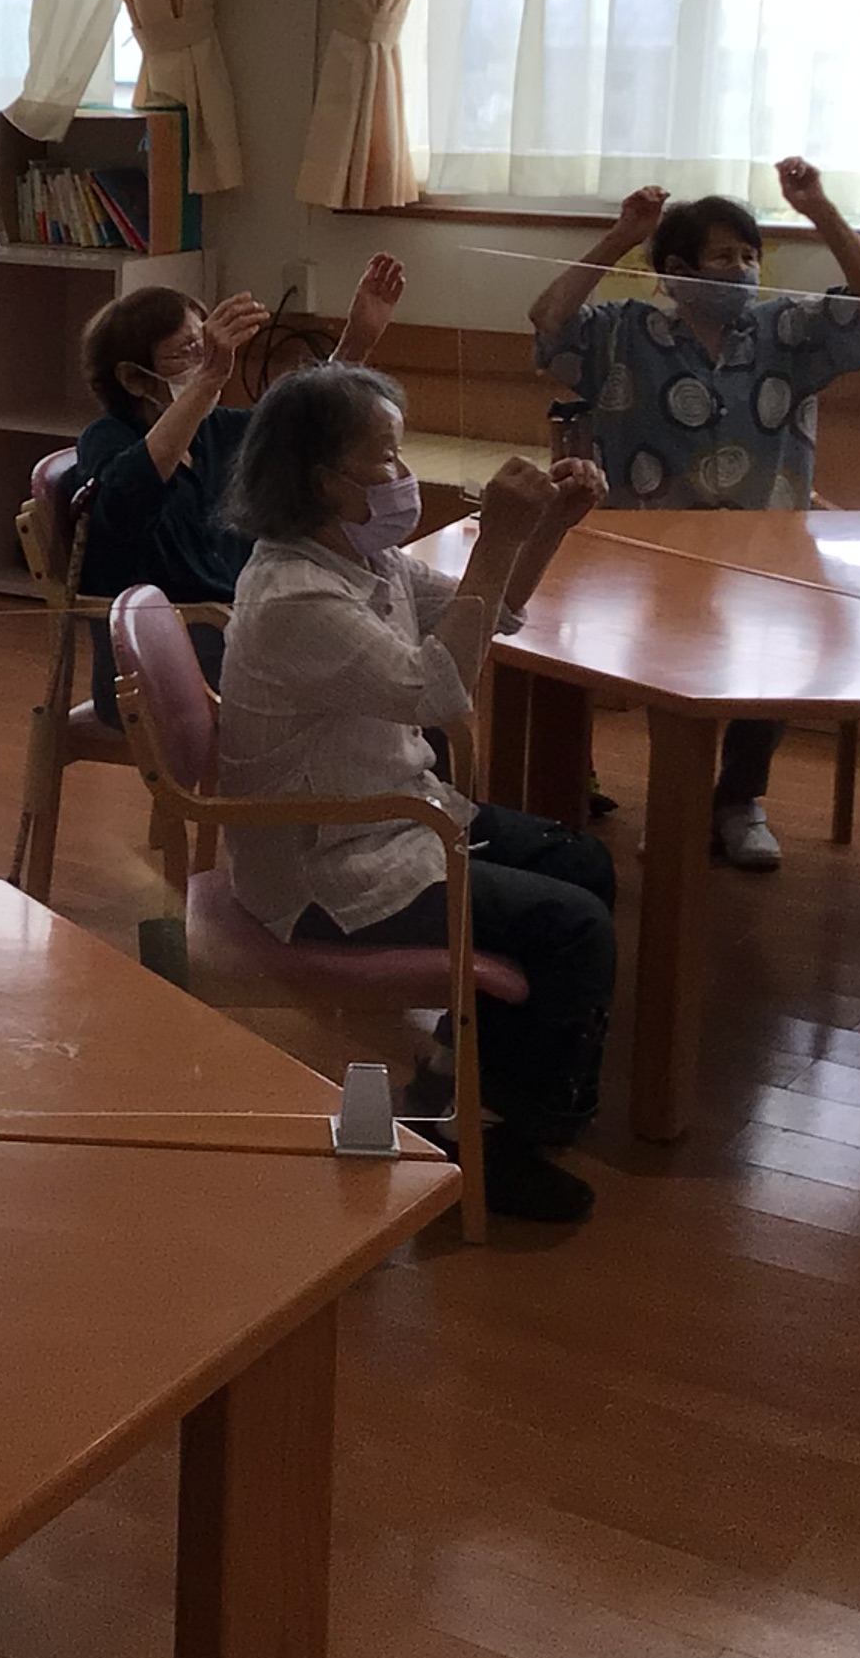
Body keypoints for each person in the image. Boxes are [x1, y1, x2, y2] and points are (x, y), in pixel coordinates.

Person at [210, 365, 615, 1225]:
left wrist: (546, 525)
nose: (403, 476)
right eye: (386, 458)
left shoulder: (363, 559)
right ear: (325, 480)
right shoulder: (295, 596)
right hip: (329, 864)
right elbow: (437, 692)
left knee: (583, 861)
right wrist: (496, 536)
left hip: (389, 812)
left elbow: (488, 611)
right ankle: (497, 1142)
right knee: (573, 926)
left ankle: (461, 1079)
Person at [529, 160, 860, 871]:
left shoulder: (784, 329)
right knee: (665, 671)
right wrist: (623, 236)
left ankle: (739, 800)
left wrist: (819, 208)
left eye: (750, 255)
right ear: (676, 271)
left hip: (766, 544)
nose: (744, 269)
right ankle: (676, 800)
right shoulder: (625, 331)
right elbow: (549, 318)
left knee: (768, 670)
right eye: (725, 257)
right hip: (652, 546)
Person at [68, 253, 405, 716]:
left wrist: (356, 341)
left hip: (238, 634)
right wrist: (209, 379)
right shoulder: (105, 439)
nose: (207, 361)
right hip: (160, 662)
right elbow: (127, 498)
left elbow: (297, 427)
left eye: (206, 345)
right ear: (131, 378)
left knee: (386, 675)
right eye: (187, 351)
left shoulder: (217, 431)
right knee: (367, 694)